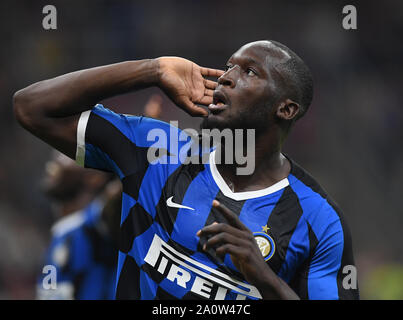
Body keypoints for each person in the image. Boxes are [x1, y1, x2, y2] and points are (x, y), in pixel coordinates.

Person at [14, 40, 359, 300]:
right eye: (228, 67)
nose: (226, 78)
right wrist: (151, 70)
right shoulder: (156, 151)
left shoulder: (320, 221)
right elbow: (31, 107)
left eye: (249, 72)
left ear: (286, 109)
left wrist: (263, 278)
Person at [36, 151, 120, 300]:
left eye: (67, 153)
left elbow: (117, 196)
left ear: (95, 177)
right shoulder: (62, 231)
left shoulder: (98, 222)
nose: (56, 157)